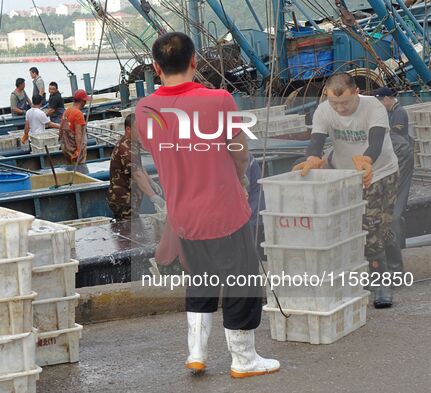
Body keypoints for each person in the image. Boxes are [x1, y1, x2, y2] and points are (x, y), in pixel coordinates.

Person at [135, 32, 279, 379]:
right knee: (240, 283)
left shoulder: (144, 109)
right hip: (224, 210)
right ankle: (243, 359)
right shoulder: (219, 100)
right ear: (194, 61)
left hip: (183, 215)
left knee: (200, 282)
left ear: (156, 68)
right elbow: (239, 151)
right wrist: (242, 180)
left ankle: (196, 353)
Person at [293, 73, 399, 308]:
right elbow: (317, 140)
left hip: (379, 172)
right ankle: (387, 264)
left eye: (345, 103)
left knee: (372, 227)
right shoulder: (323, 110)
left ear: (356, 92)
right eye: (334, 103)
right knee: (351, 226)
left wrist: (367, 160)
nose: (340, 109)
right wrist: (312, 159)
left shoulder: (374, 107)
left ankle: (381, 282)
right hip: (343, 174)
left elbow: (376, 141)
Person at [374, 86, 414, 275]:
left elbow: (395, 138)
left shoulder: (399, 113)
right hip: (395, 158)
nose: (381, 105)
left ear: (389, 99)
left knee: (394, 213)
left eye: (382, 101)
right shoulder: (390, 113)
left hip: (401, 159)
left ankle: (396, 265)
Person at [106, 114, 166, 220]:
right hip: (123, 200)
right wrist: (153, 196)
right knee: (128, 230)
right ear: (128, 129)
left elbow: (139, 166)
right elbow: (137, 174)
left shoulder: (133, 144)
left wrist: (150, 181)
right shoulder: (125, 148)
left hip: (130, 198)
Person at [59, 89, 89, 166]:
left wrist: (61, 144)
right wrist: (79, 150)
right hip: (74, 149)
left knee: (70, 167)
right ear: (83, 101)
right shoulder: (78, 114)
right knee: (80, 169)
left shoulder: (67, 111)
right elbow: (78, 134)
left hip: (66, 148)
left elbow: (61, 129)